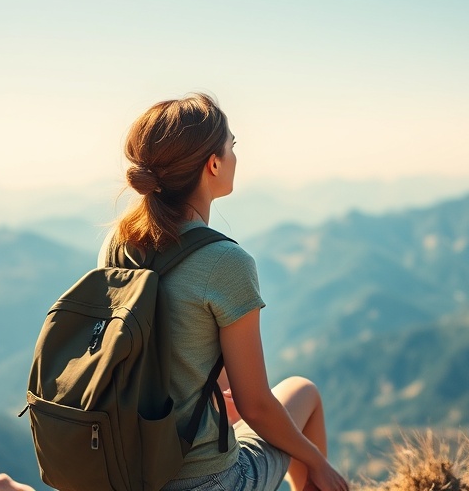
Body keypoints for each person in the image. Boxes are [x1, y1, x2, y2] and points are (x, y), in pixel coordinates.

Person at [103, 92, 348, 491]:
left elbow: (151, 346)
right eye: (232, 146)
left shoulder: (119, 243)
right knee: (303, 391)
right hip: (205, 480)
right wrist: (317, 462)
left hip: (128, 470)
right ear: (213, 164)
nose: (234, 155)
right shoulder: (226, 263)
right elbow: (256, 405)